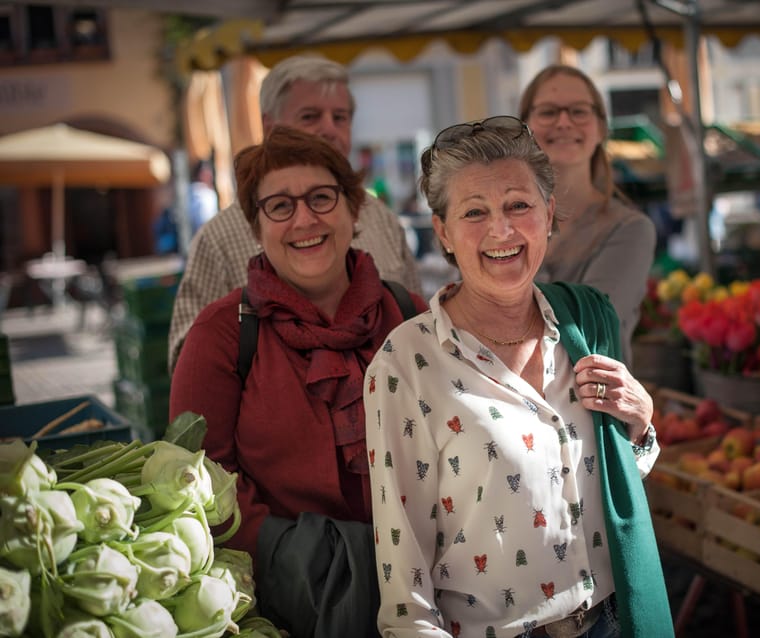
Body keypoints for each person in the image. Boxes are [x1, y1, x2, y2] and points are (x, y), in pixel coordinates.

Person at [363, 117, 673, 638]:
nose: (501, 230)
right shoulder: (406, 365)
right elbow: (404, 575)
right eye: (475, 212)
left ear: (549, 214)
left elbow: (603, 489)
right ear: (443, 230)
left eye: (518, 206)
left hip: (612, 622)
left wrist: (640, 429)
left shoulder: (586, 323)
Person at [169, 126, 428, 637]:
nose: (304, 219)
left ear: (355, 212)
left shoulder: (407, 314)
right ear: (257, 226)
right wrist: (302, 557)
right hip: (295, 605)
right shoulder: (220, 335)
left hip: (427, 583)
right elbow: (196, 479)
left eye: (321, 198)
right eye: (280, 206)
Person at [168, 54, 422, 373]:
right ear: (270, 126)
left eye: (340, 117)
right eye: (310, 116)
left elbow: (418, 325)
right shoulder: (220, 236)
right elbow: (188, 361)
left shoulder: (381, 217)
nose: (329, 129)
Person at [519, 64, 657, 368]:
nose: (564, 122)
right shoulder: (507, 226)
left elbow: (585, 327)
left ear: (601, 128)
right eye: (548, 112)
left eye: (579, 111)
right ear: (525, 127)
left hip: (591, 408)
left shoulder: (630, 230)